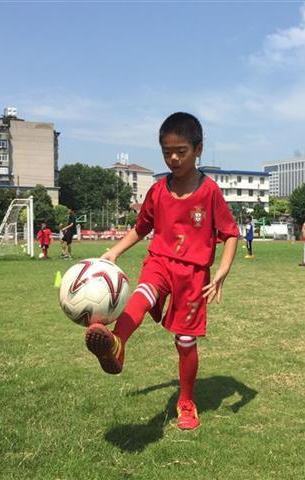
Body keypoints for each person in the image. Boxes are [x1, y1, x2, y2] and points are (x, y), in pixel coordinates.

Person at [84, 112, 239, 431]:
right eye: (167, 152)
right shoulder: (157, 190)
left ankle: (186, 401)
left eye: (181, 151)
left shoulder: (209, 191)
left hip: (194, 275)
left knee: (185, 342)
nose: (173, 158)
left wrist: (222, 270)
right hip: (160, 261)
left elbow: (230, 233)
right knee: (142, 294)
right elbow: (141, 228)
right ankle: (116, 344)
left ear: (198, 149)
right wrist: (114, 251)